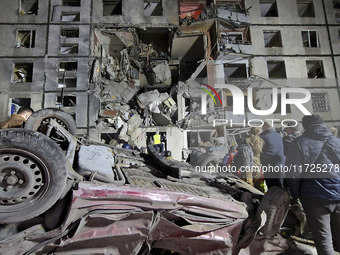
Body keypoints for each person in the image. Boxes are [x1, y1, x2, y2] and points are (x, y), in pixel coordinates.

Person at [286, 114, 340, 255]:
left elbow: (293, 174)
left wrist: (295, 195)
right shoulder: (336, 141)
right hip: (338, 193)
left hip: (314, 196)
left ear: (305, 126)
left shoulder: (298, 143)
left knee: (323, 238)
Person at [260, 121, 286, 189]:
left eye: (262, 127)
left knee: (271, 186)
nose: (262, 128)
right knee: (280, 185)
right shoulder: (279, 135)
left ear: (265, 127)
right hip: (280, 163)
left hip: (269, 164)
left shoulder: (262, 137)